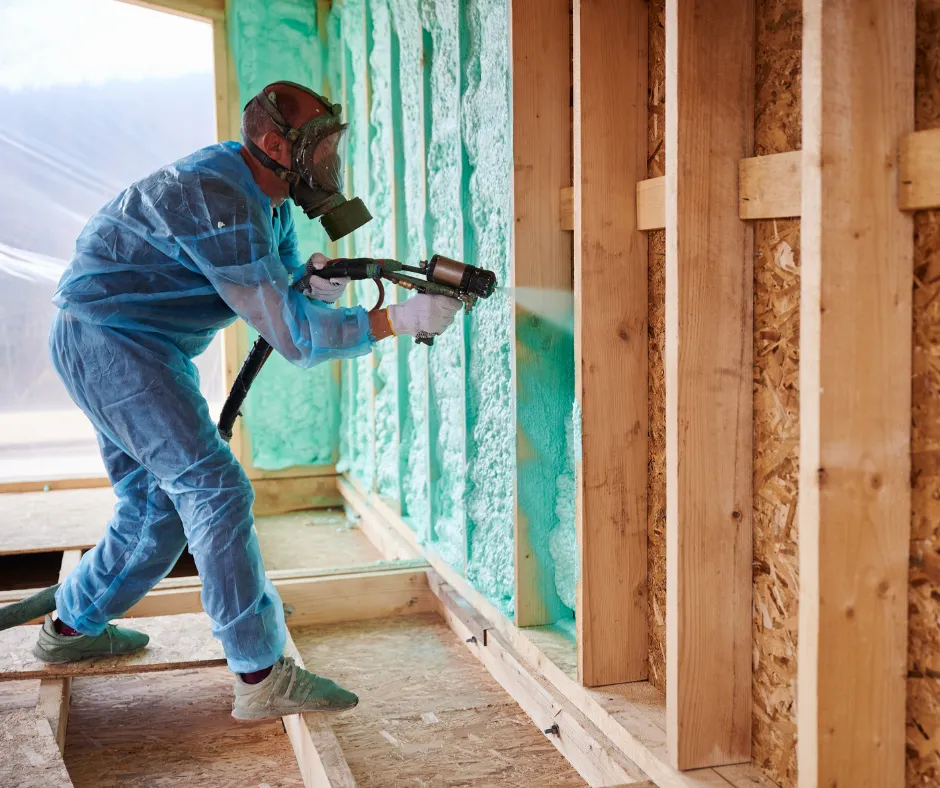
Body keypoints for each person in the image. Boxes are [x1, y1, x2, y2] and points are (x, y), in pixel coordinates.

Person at [33, 81, 461, 720]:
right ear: (274, 144)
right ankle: (259, 674)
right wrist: (395, 320)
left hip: (132, 343)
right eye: (321, 150)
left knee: (157, 508)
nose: (329, 166)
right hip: (111, 340)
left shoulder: (273, 201)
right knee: (213, 489)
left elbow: (284, 303)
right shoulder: (222, 198)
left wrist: (314, 288)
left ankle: (71, 628)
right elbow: (292, 339)